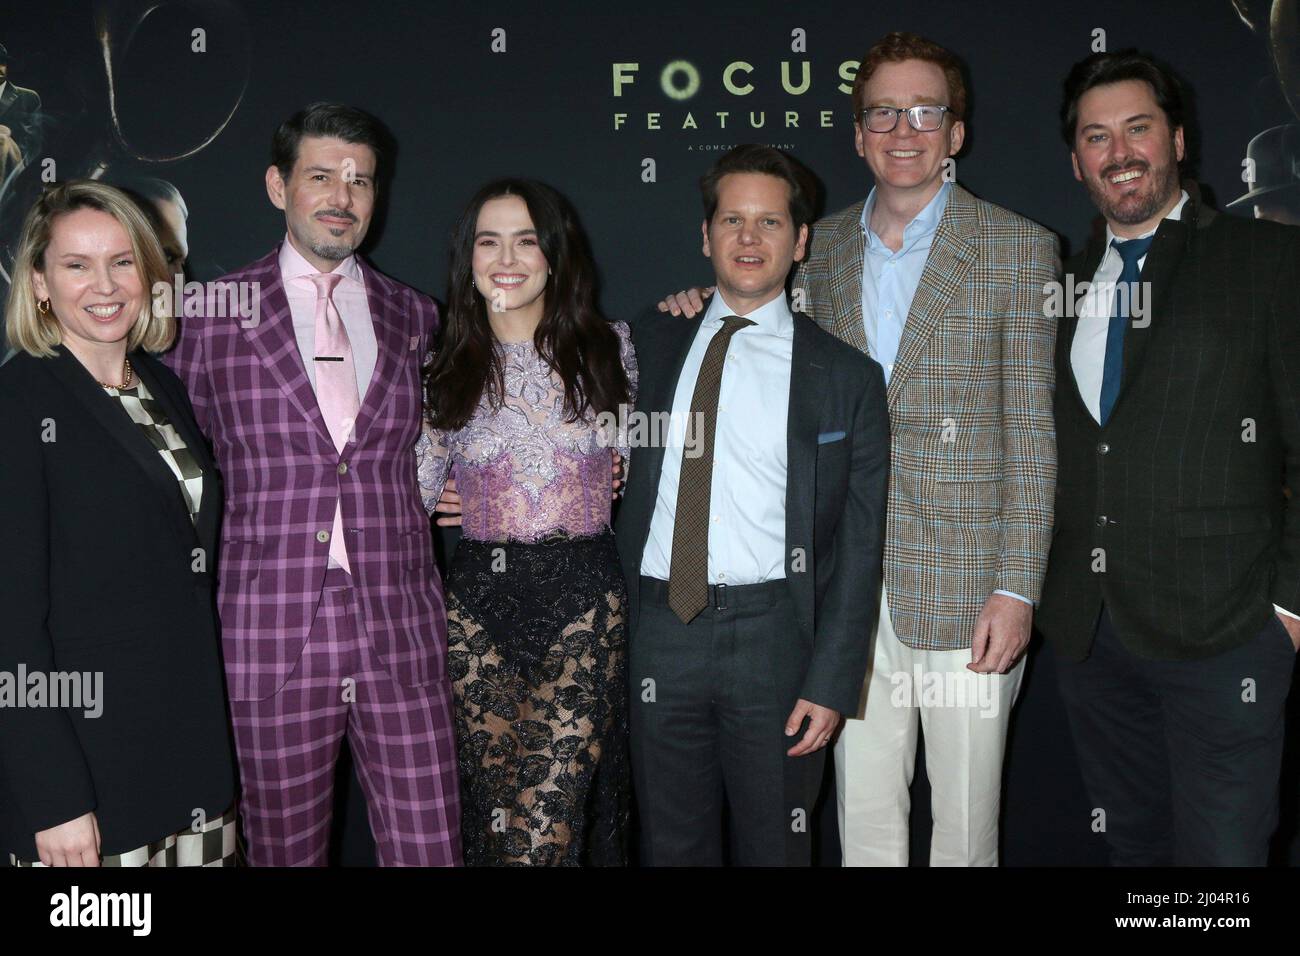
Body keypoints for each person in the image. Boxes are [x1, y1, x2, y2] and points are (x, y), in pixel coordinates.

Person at [660, 33, 1057, 866]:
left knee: (964, 833)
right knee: (862, 831)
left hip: (967, 593)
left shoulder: (1019, 249)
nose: (903, 129)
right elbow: (758, 329)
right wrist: (703, 306)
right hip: (840, 593)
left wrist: (1017, 585)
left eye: (925, 112)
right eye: (882, 111)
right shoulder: (820, 246)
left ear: (955, 133)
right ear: (858, 132)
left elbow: (1031, 431)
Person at [165, 103, 461, 866]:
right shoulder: (205, 315)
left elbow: (455, 438)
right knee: (283, 854)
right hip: (267, 632)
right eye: (322, 175)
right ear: (277, 185)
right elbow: (167, 469)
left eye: (361, 180)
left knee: (432, 849)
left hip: (400, 624)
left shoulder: (416, 316)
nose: (343, 195)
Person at [1041, 49, 1300, 865]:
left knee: (1222, 862)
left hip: (1229, 635)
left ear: (1178, 140)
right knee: (1135, 851)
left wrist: (1289, 608)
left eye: (1138, 128)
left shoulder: (1268, 264)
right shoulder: (1063, 284)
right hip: (1093, 636)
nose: (1120, 153)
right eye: (1097, 136)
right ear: (1076, 158)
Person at [619, 144, 890, 866]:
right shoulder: (642, 342)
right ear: (704, 235)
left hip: (776, 642)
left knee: (779, 849)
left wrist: (832, 681)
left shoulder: (847, 379)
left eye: (769, 222)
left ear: (800, 241)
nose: (748, 238)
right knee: (672, 848)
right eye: (731, 220)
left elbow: (861, 547)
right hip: (658, 632)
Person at [0, 180, 236, 866]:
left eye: (123, 260)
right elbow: (8, 629)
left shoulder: (164, 389)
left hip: (189, 765)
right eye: (76, 264)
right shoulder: (17, 406)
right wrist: (54, 799)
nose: (104, 284)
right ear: (40, 282)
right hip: (89, 784)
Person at [417, 179, 636, 866]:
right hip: (477, 607)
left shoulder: (613, 347)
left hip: (583, 604)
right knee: (497, 815)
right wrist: (434, 498)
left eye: (526, 239)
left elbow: (636, 466)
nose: (506, 258)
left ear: (554, 254)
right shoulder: (438, 364)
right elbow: (409, 494)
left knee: (547, 820)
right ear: (468, 257)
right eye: (489, 241)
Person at [0, 42, 43, 170]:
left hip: (13, 172)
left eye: (2, 62)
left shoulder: (28, 97)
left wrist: (25, 174)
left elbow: (35, 144)